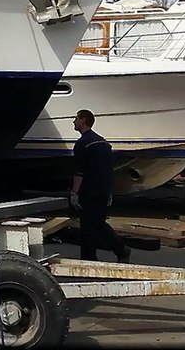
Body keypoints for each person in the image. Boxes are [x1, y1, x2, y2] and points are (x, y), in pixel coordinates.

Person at [70, 108, 130, 263]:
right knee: (92, 225)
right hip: (103, 190)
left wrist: (74, 193)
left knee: (92, 224)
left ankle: (120, 248)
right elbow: (109, 169)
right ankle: (89, 257)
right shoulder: (103, 142)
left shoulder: (82, 144)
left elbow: (79, 172)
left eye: (76, 118)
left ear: (83, 120)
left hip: (89, 191)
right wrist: (109, 191)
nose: (74, 122)